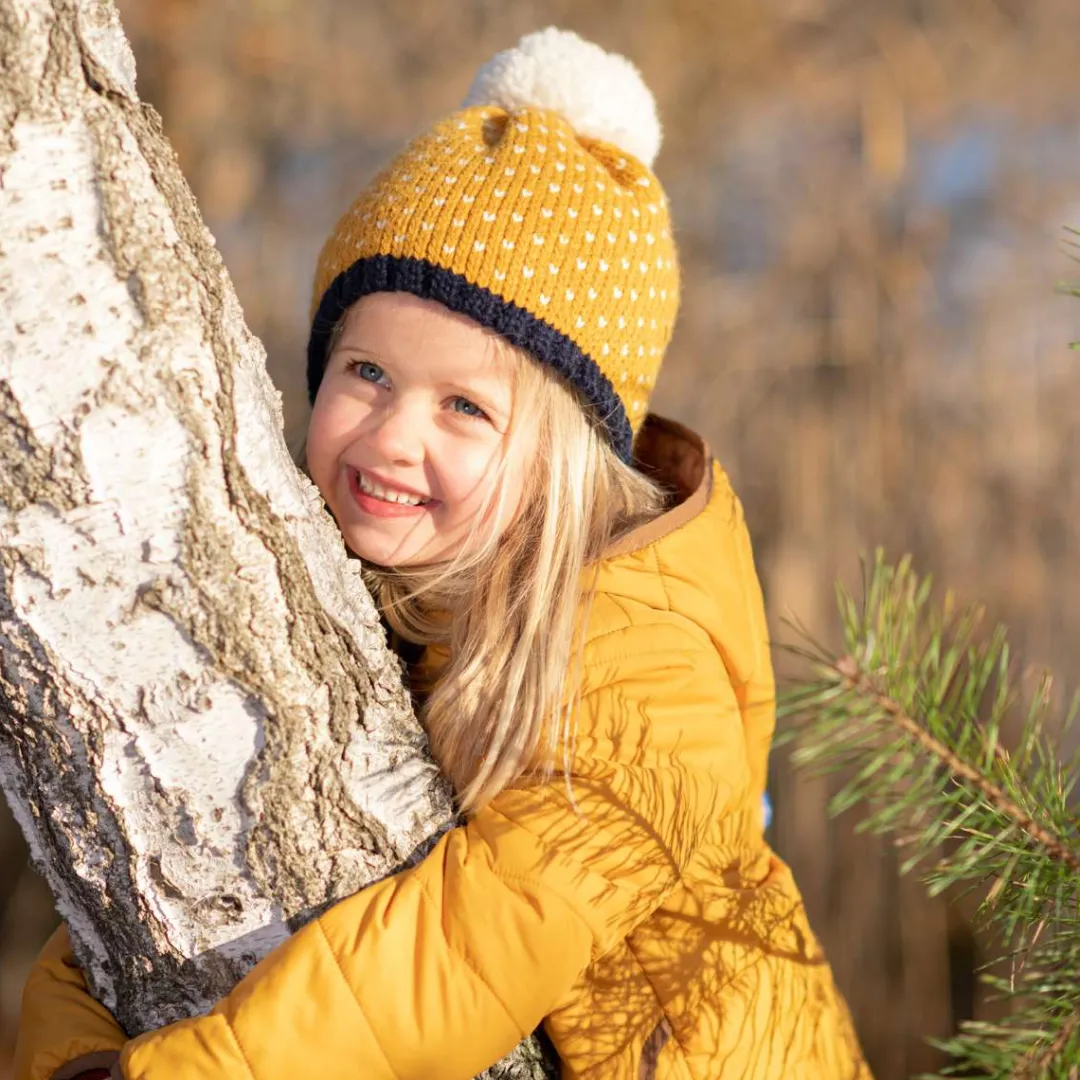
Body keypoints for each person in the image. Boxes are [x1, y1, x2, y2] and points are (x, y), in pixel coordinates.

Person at [16, 27, 870, 1080]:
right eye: (367, 371)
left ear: (564, 461)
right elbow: (115, 870)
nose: (392, 435)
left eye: (464, 405)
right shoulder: (357, 601)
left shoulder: (646, 663)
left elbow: (475, 941)